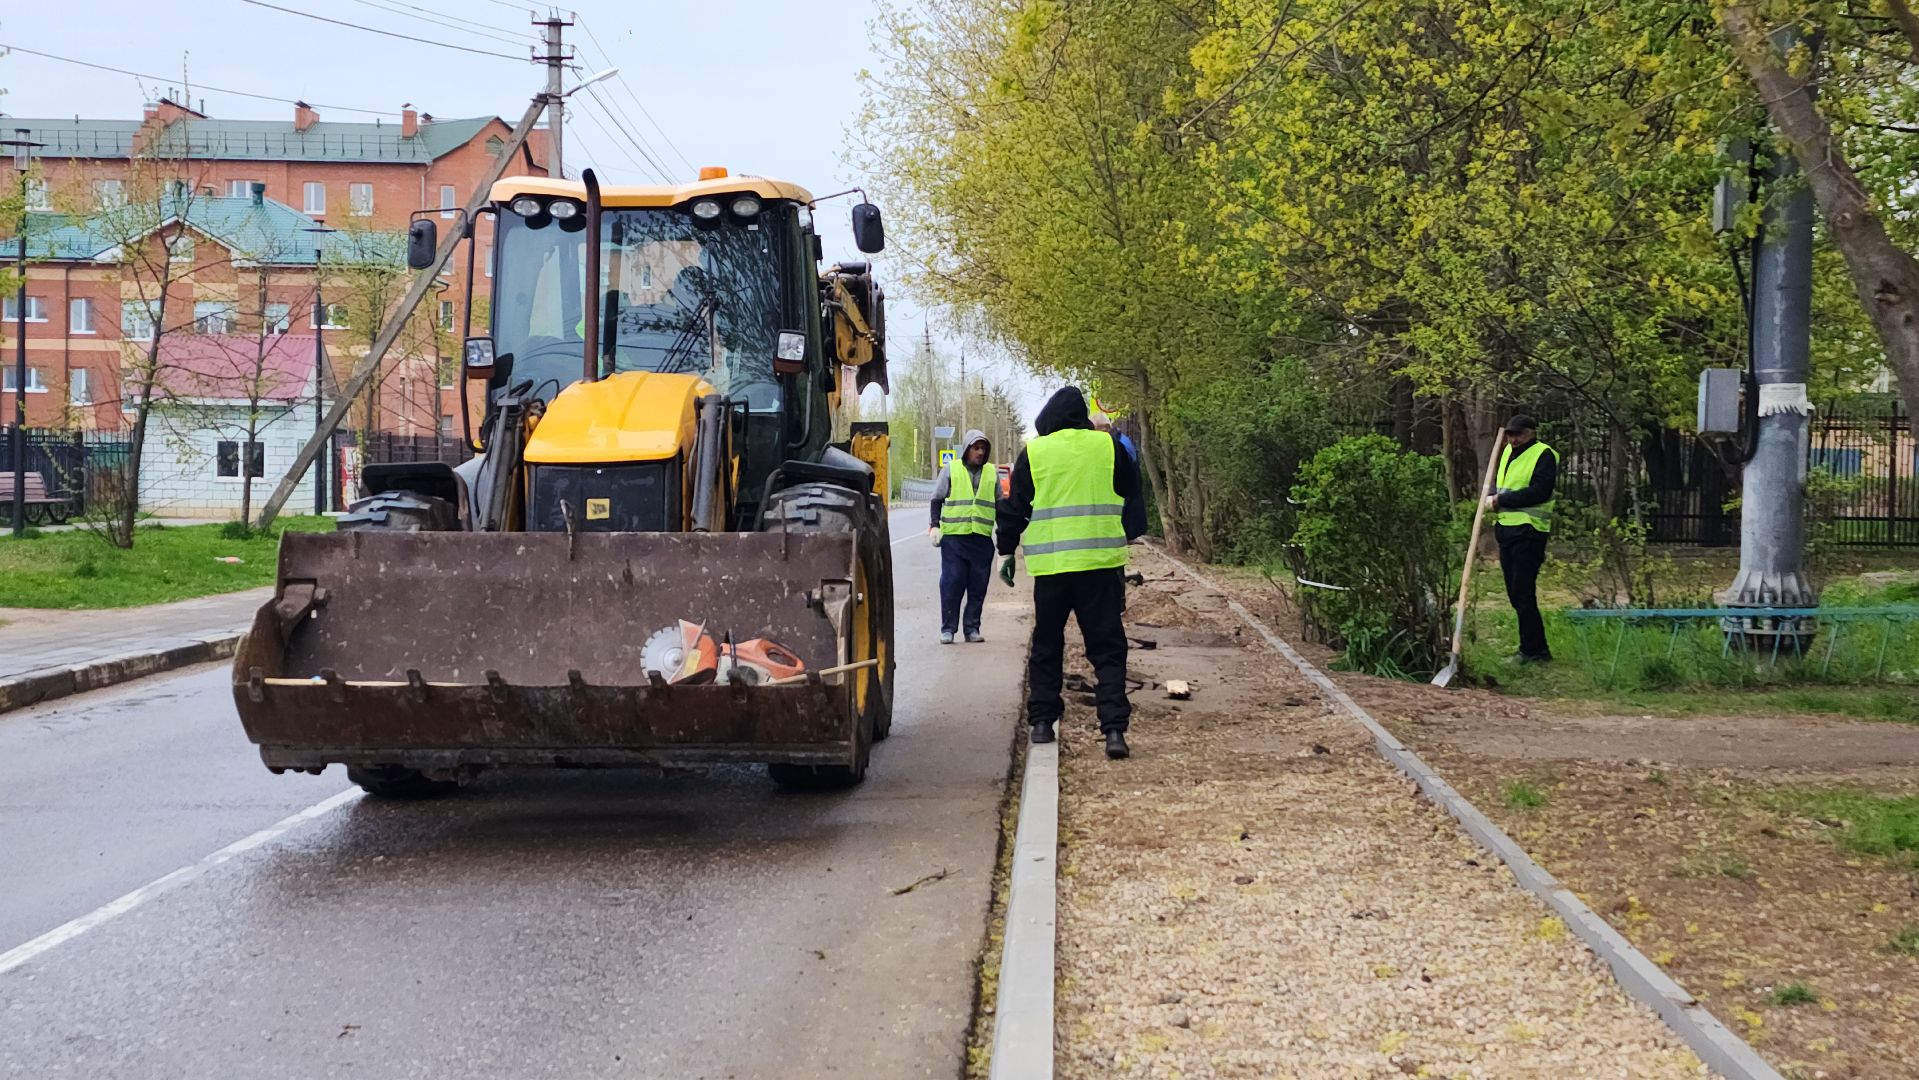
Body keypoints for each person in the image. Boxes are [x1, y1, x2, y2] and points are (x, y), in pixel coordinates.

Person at [998, 387, 1148, 759]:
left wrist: (1006, 550)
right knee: (1108, 648)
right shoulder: (1107, 446)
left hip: (1052, 570)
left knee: (1048, 645)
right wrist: (1126, 533)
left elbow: (1015, 505)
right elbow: (1131, 491)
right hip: (1100, 566)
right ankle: (1114, 731)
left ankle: (1042, 722)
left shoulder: (1036, 451)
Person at [1487, 415, 1558, 663]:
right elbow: (1503, 485)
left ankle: (1534, 651)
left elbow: (1539, 492)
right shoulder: (1507, 451)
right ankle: (1533, 648)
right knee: (1515, 594)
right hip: (1507, 530)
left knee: (1523, 592)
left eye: (1518, 434)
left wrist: (1501, 500)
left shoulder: (1544, 454)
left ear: (1531, 432)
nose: (1513, 438)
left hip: (1530, 532)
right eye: (1510, 434)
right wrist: (1494, 497)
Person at [929, 430, 997, 644]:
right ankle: (948, 629)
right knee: (952, 583)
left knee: (978, 586)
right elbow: (936, 499)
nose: (979, 452)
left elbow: (1001, 505)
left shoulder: (991, 473)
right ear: (967, 449)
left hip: (981, 539)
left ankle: (972, 629)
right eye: (976, 448)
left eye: (983, 449)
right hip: (955, 540)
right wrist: (934, 526)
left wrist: (1005, 536)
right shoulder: (952, 469)